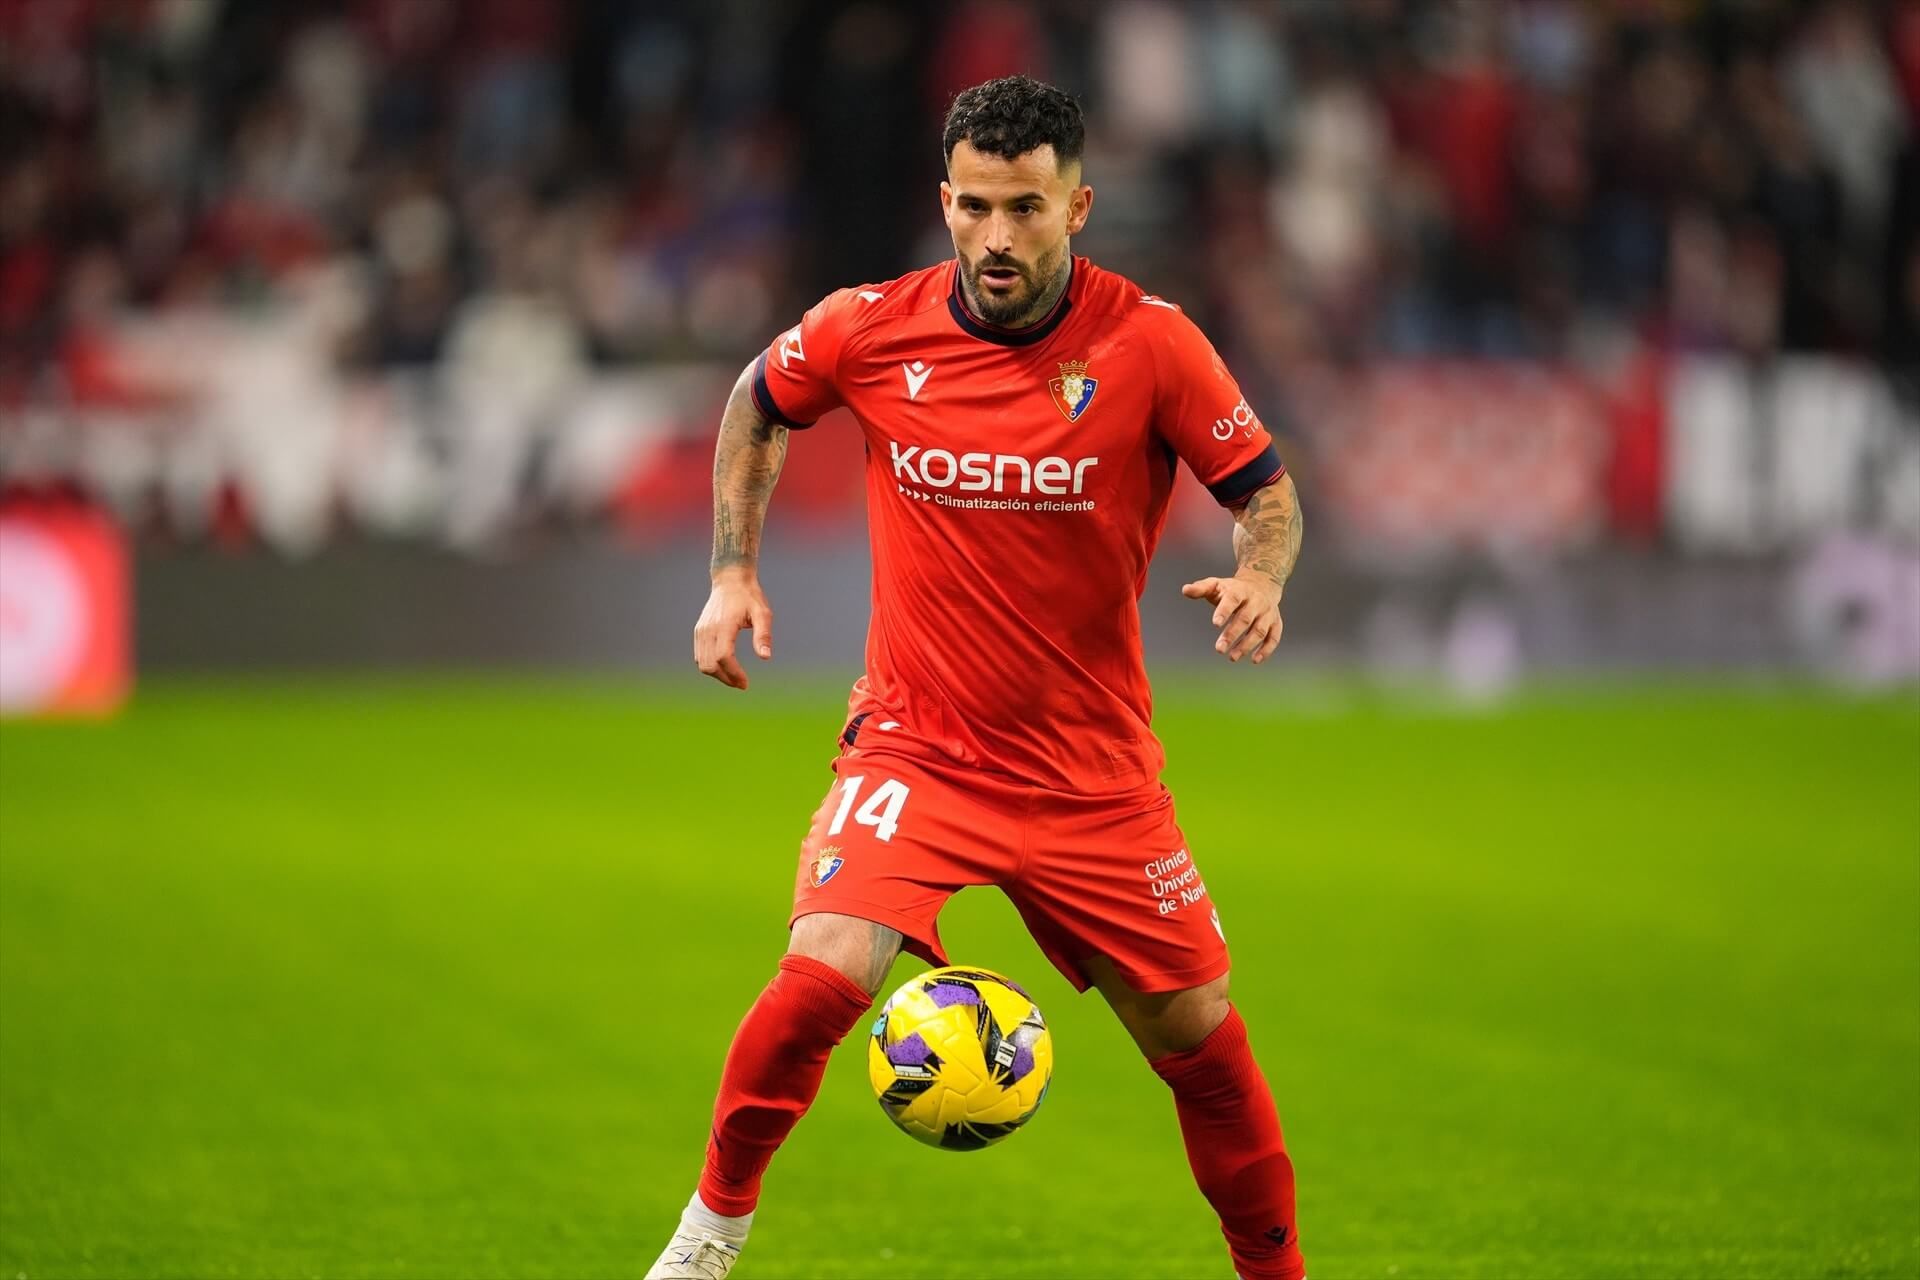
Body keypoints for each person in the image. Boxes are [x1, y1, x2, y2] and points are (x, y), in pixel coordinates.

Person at [650, 75, 1307, 1280]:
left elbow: (1264, 490)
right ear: (942, 200)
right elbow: (760, 399)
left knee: (1202, 1044)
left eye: (1026, 209)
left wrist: (1262, 574)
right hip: (917, 747)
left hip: (1091, 777)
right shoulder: (869, 324)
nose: (996, 238)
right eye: (974, 207)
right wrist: (730, 571)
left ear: (1078, 206)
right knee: (816, 980)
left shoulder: (1152, 344)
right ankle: (706, 1240)